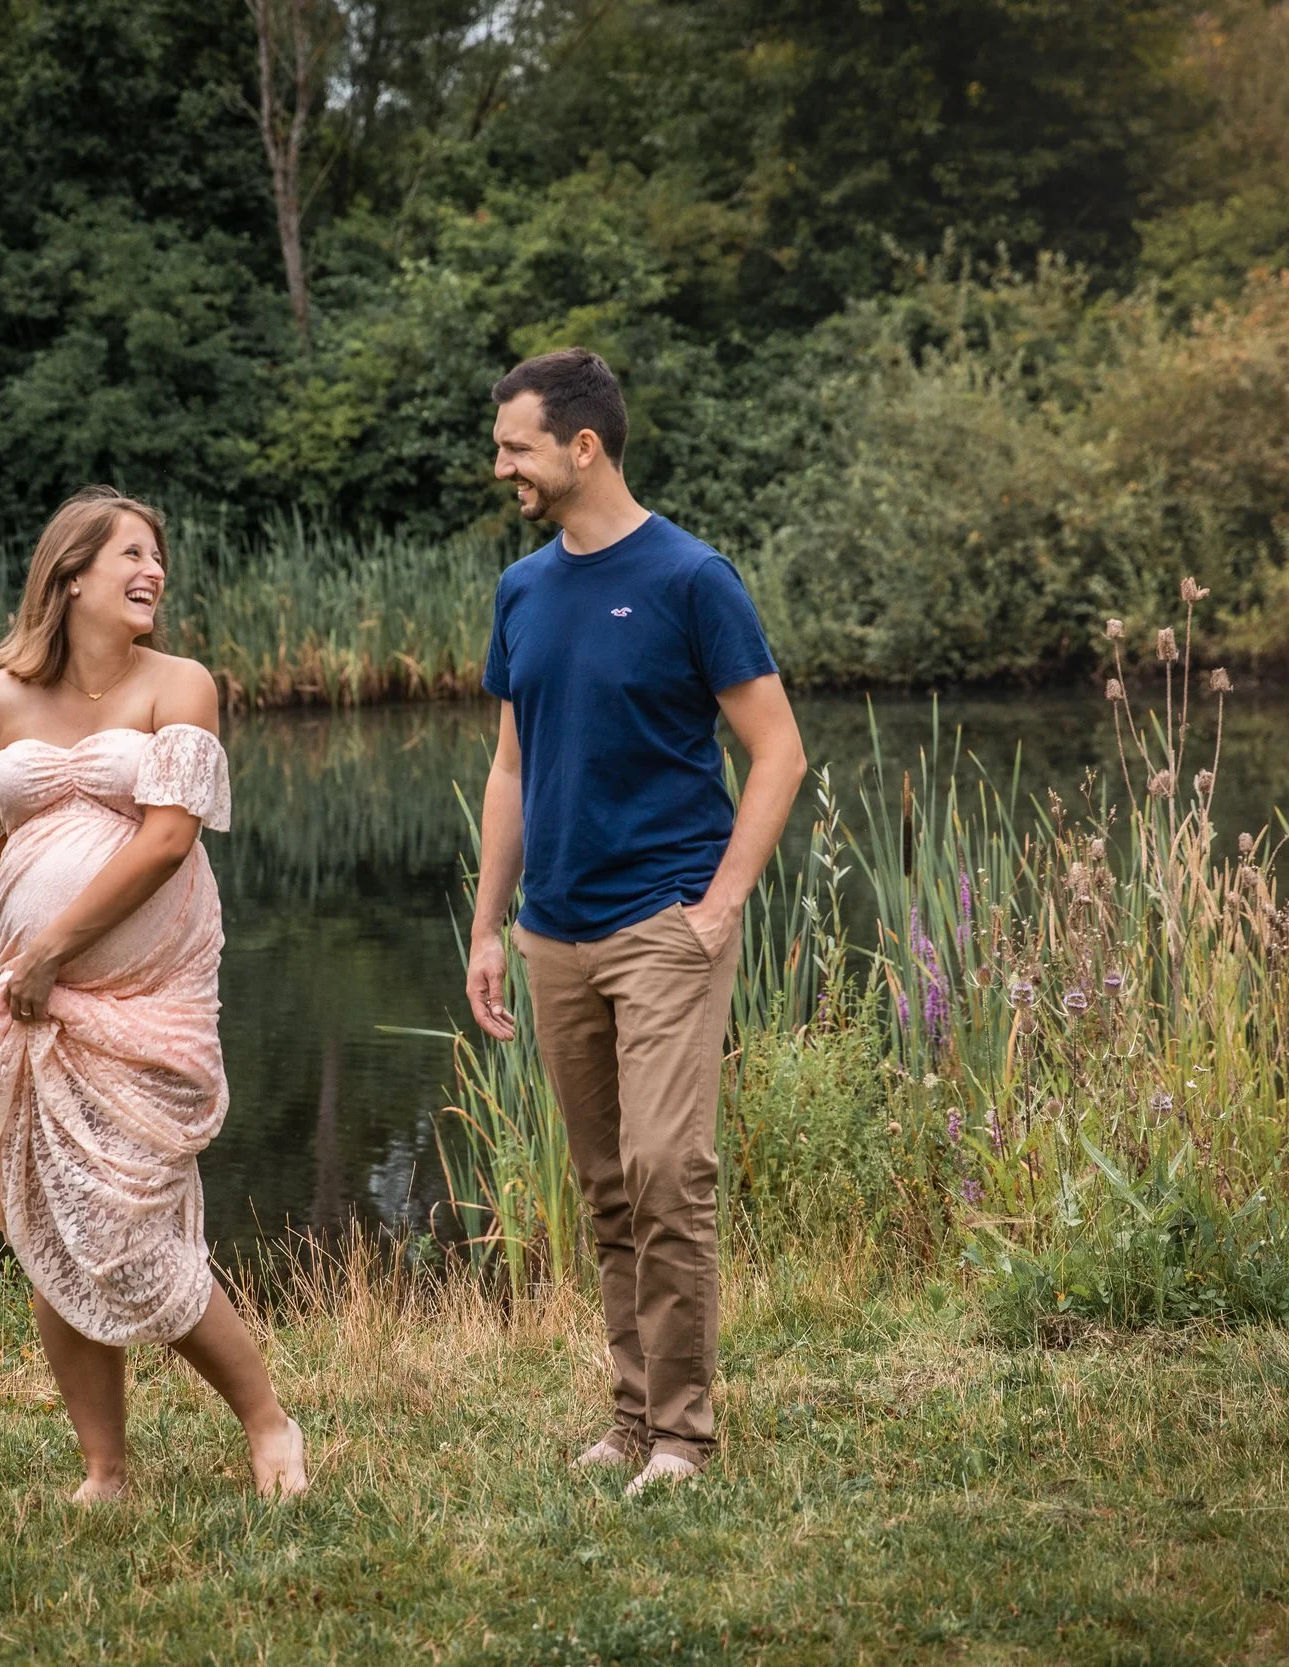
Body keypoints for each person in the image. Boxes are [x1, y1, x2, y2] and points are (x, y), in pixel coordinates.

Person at [465, 349, 806, 1496]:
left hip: (663, 919)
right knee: (608, 1182)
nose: (499, 463)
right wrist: (486, 926)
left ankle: (684, 1435)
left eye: (514, 445)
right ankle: (630, 1415)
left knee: (669, 1169)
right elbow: (510, 768)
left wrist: (719, 904)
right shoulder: (521, 589)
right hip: (552, 931)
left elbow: (777, 751)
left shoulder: (690, 576)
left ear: (581, 447)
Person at [0, 486, 308, 1504]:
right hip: (40, 1005)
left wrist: (57, 939)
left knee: (127, 1231)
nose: (153, 571)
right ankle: (105, 1465)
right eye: (131, 556)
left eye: (157, 557)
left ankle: (266, 1418)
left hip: (143, 992)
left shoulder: (179, 684)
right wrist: (34, 942)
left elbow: (167, 833)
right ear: (69, 576)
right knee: (49, 1227)